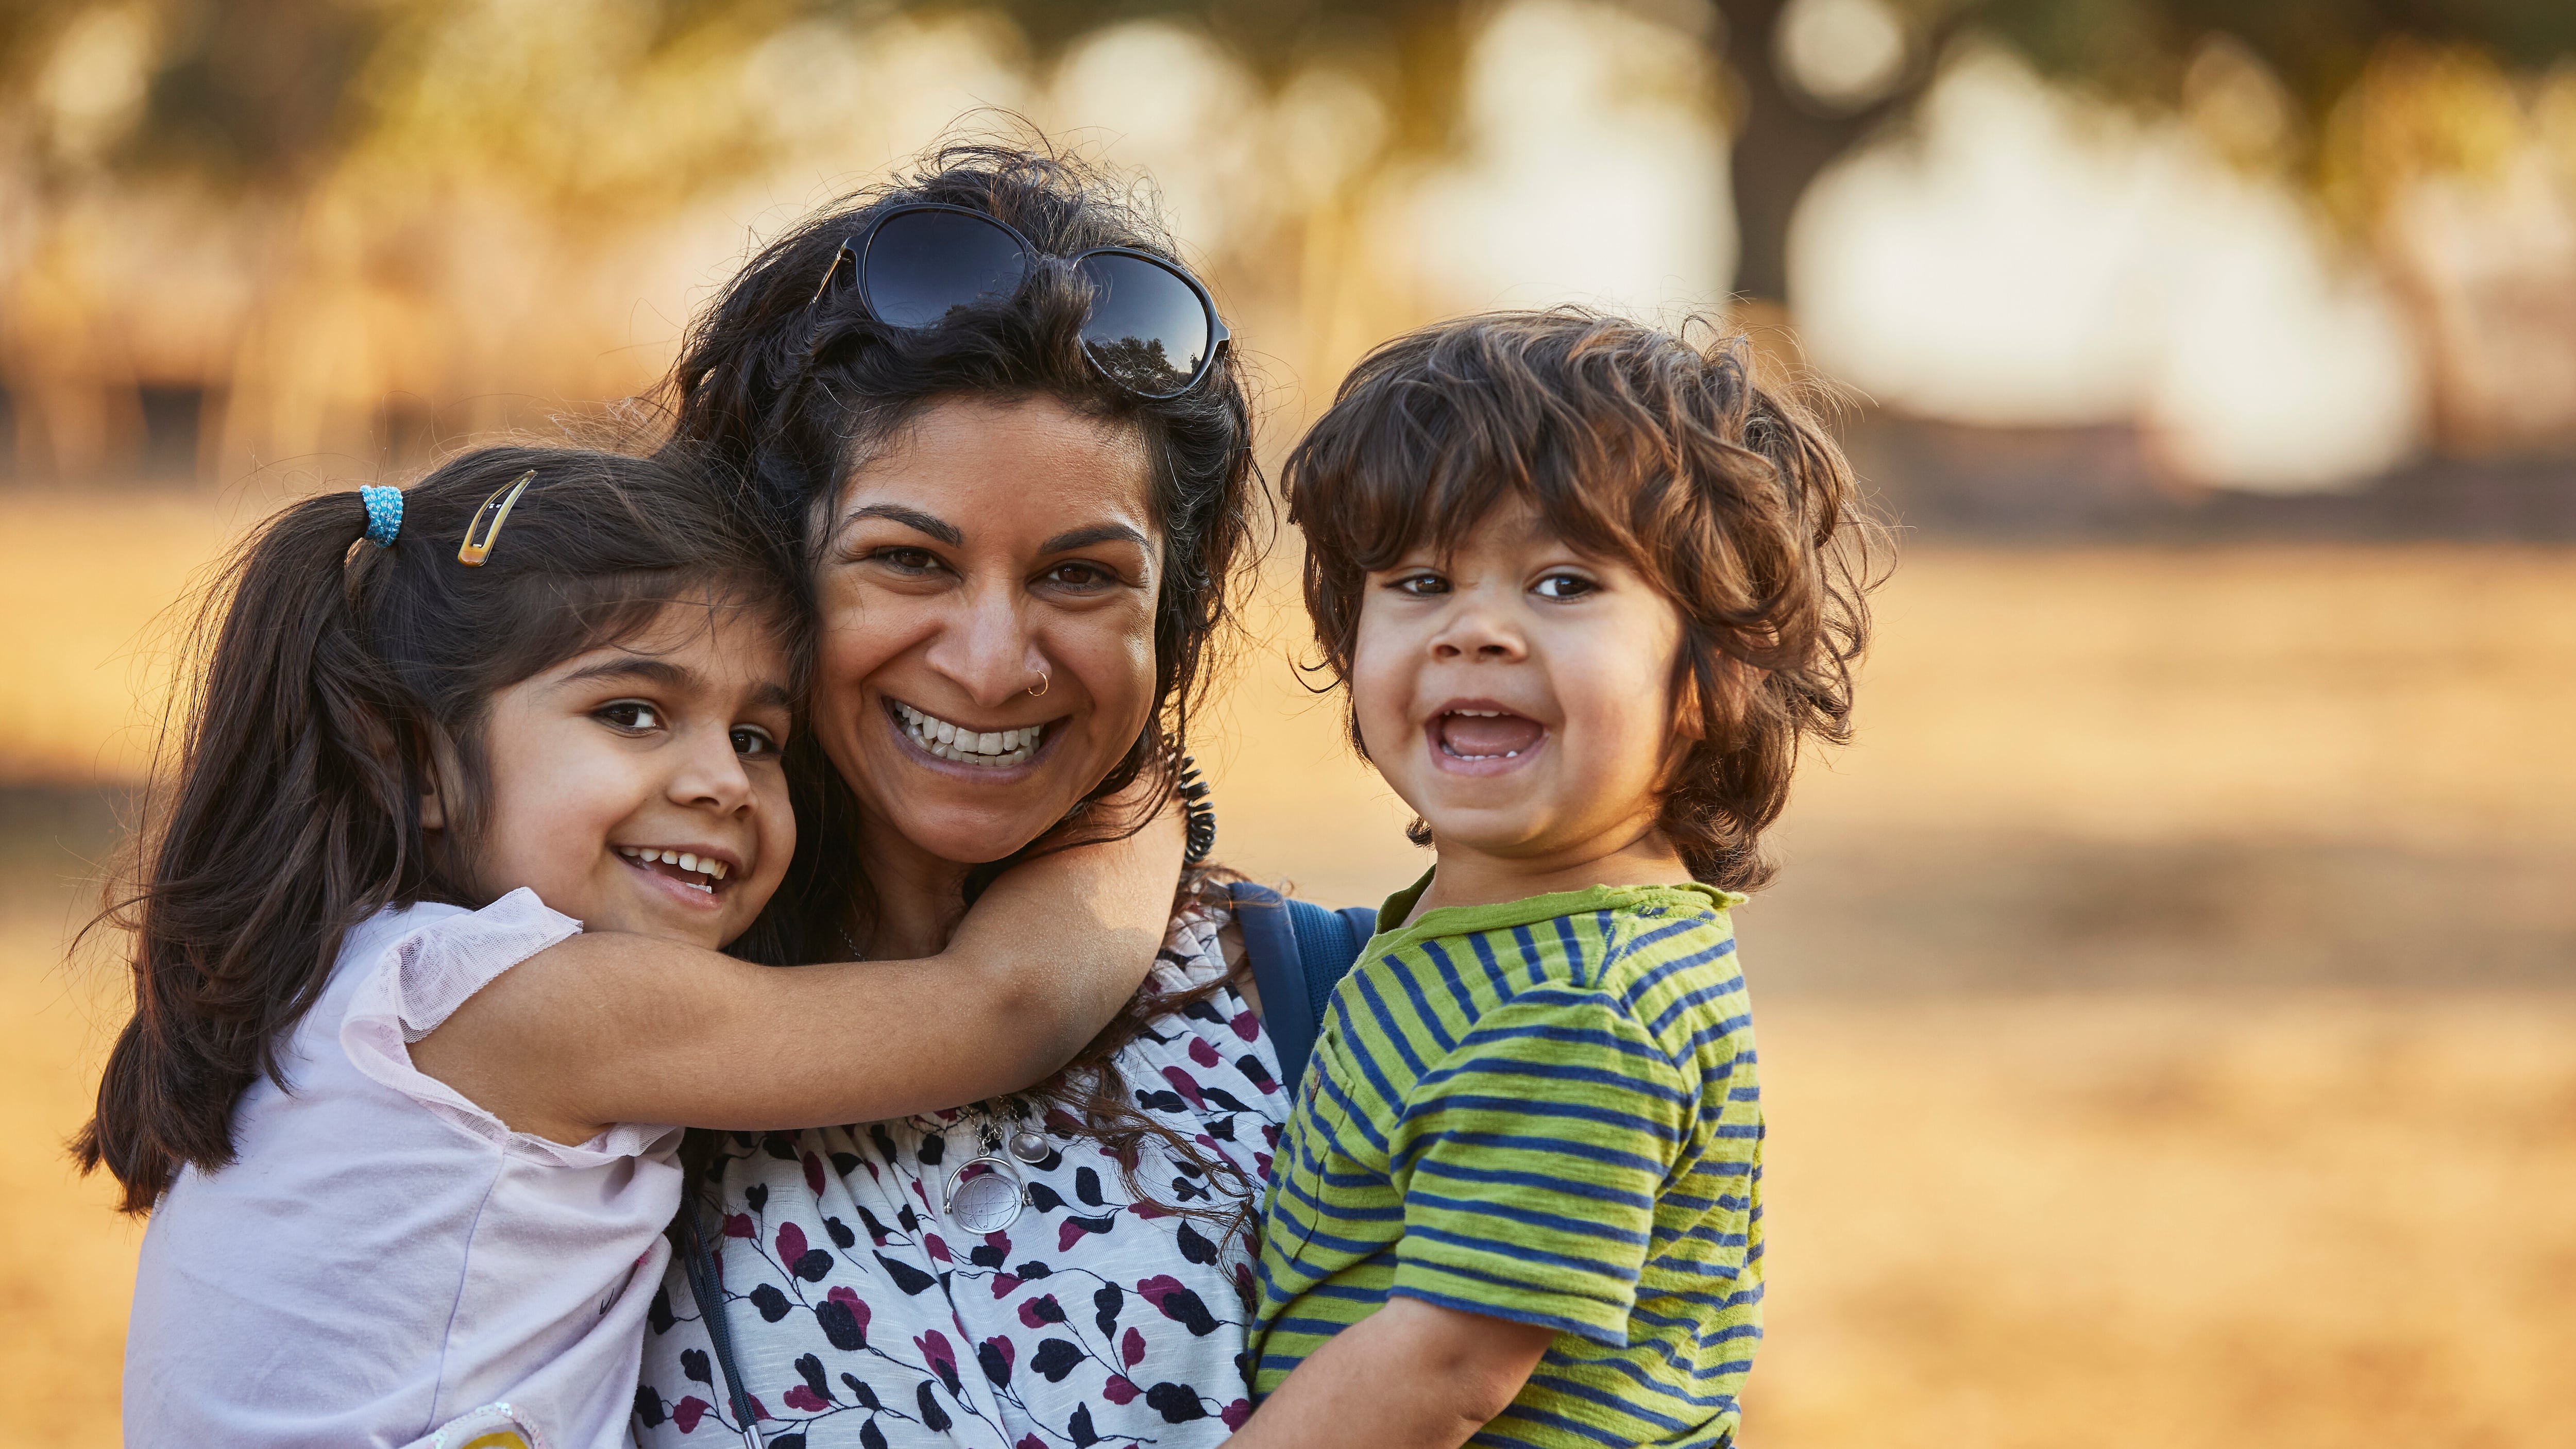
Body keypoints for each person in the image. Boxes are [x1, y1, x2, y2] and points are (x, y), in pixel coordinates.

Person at [86, 445, 1185, 1449]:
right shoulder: (519, 1003)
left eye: (757, 738)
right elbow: (1001, 1008)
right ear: (415, 758)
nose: (720, 780)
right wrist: (1144, 785)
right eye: (632, 713)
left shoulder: (355, 980)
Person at [629, 142, 1284, 1447]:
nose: (993, 664)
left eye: (1083, 577)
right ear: (768, 564)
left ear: (1177, 613)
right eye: (910, 560)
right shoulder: (592, 1020)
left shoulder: (1324, 1023)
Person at [1238, 310, 1880, 1449]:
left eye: (1564, 583)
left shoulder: (1580, 1003)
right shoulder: (1509, 928)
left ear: (1714, 670)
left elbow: (1445, 1367)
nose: (1474, 629)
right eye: (1421, 578)